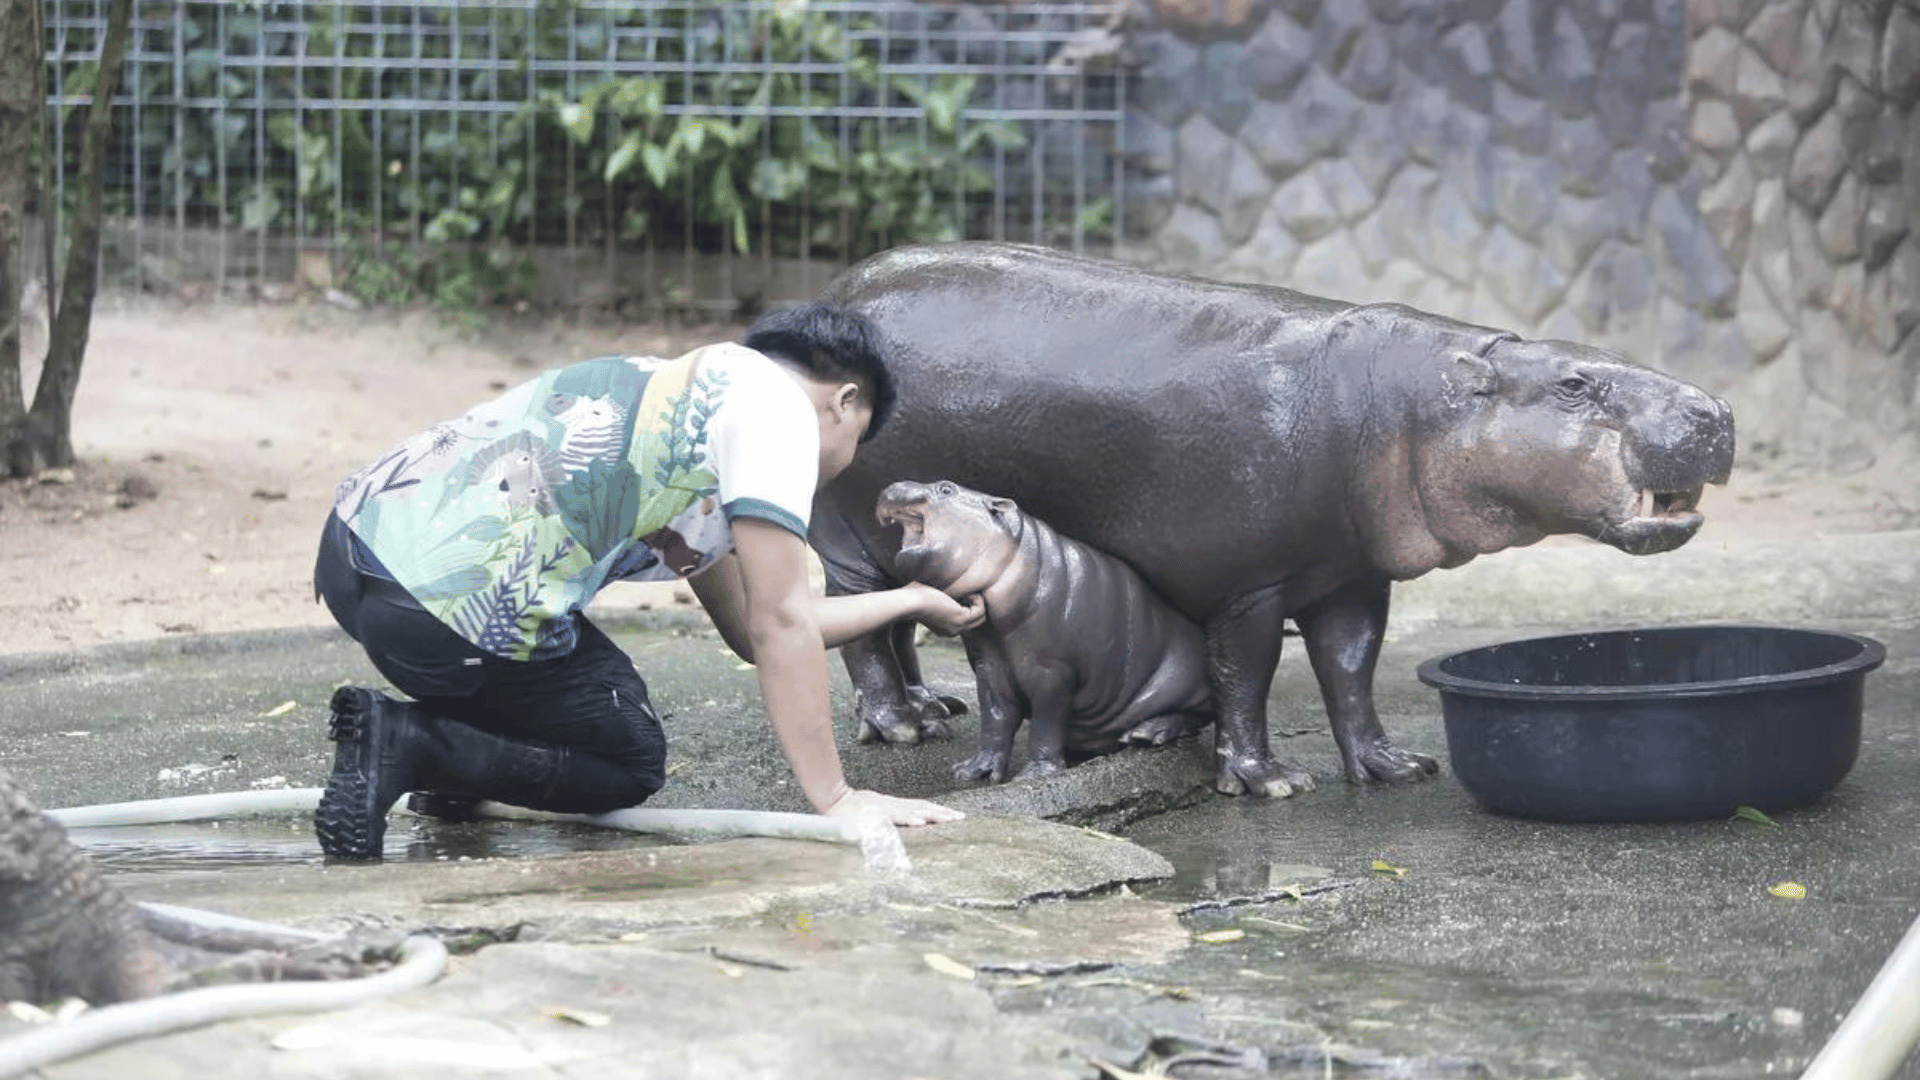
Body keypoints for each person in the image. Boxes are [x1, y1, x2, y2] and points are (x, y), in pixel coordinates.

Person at [310, 301, 985, 860]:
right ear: (844, 401)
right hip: (447, 610)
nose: (841, 465)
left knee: (568, 679)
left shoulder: (697, 397)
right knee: (628, 753)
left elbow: (758, 629)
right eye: (858, 441)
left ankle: (447, 767)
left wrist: (912, 600)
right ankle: (408, 744)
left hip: (356, 560)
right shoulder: (780, 416)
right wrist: (836, 798)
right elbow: (783, 626)